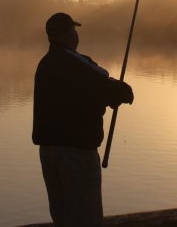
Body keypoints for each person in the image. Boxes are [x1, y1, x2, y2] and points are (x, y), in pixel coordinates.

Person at [33, 12, 134, 227]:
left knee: (62, 217)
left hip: (49, 153)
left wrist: (104, 97)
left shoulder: (45, 64)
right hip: (76, 154)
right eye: (72, 31)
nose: (75, 36)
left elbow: (81, 92)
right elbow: (106, 84)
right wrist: (121, 92)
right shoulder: (74, 61)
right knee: (84, 218)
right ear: (63, 35)